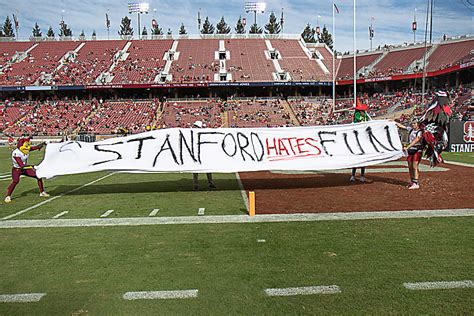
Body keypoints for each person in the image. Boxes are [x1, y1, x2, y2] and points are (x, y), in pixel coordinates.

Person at [4, 138, 50, 203]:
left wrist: (44, 143)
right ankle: (8, 196)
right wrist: (33, 166)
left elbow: (35, 147)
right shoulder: (16, 153)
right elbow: (21, 166)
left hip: (25, 168)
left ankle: (42, 192)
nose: (28, 147)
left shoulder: (25, 149)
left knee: (38, 176)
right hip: (17, 169)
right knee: (15, 181)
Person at [192, 121, 216, 191]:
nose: (194, 127)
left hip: (204, 154)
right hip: (196, 154)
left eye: (196, 126)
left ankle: (210, 183)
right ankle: (196, 185)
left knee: (208, 168)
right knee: (195, 170)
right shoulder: (192, 134)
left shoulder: (204, 134)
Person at [350, 98, 371, 183]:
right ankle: (353, 175)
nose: (363, 111)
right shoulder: (357, 116)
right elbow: (358, 123)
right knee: (356, 159)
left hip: (364, 140)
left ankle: (362, 176)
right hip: (357, 140)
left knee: (363, 159)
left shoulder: (366, 116)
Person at [404, 118, 424, 190]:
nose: (413, 125)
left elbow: (416, 140)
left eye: (414, 123)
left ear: (417, 124)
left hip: (417, 149)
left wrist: (408, 146)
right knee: (410, 166)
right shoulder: (411, 130)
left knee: (414, 166)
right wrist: (393, 122)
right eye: (412, 123)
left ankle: (416, 182)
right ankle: (412, 181)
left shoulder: (420, 132)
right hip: (411, 150)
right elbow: (402, 126)